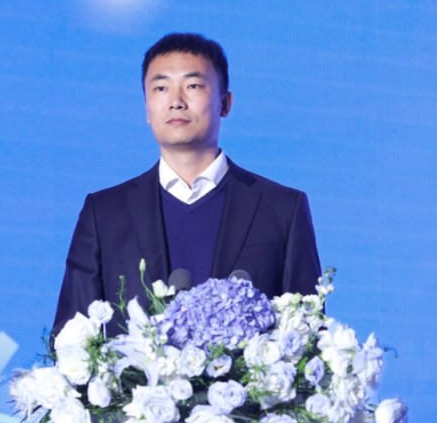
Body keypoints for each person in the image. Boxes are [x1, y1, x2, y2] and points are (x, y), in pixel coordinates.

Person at [52, 31, 321, 335]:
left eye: (193, 86)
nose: (176, 102)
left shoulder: (282, 209)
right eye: (161, 88)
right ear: (147, 108)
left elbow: (309, 333)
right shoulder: (104, 213)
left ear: (225, 103)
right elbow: (70, 339)